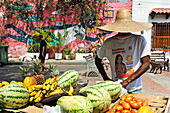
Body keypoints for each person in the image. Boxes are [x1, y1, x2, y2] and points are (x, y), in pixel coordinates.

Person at [95, 9, 153, 94]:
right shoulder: (109, 42)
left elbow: (146, 64)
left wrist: (127, 81)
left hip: (135, 89)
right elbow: (97, 59)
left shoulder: (139, 40)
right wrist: (105, 78)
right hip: (116, 90)